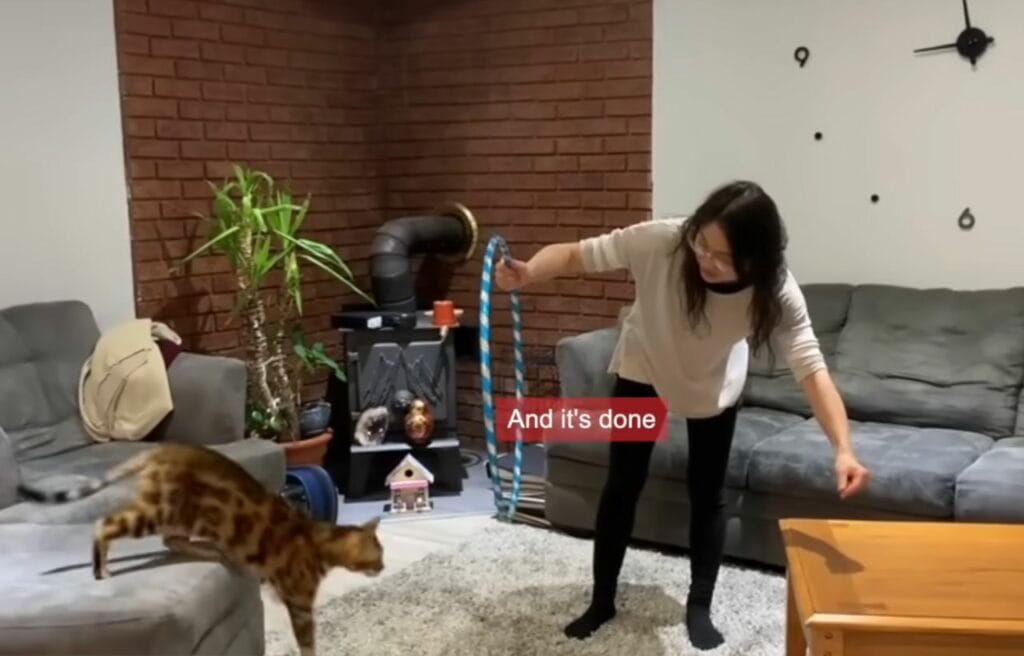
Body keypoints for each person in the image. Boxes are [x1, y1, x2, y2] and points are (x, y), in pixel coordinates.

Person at [494, 180, 870, 650]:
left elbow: (812, 371)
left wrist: (843, 449)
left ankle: (699, 606)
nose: (705, 259)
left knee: (707, 493)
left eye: (723, 256)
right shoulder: (662, 241)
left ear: (756, 259)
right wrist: (529, 272)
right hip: (644, 364)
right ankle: (602, 600)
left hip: (713, 383)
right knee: (622, 483)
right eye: (702, 244)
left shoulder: (776, 290)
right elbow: (575, 255)